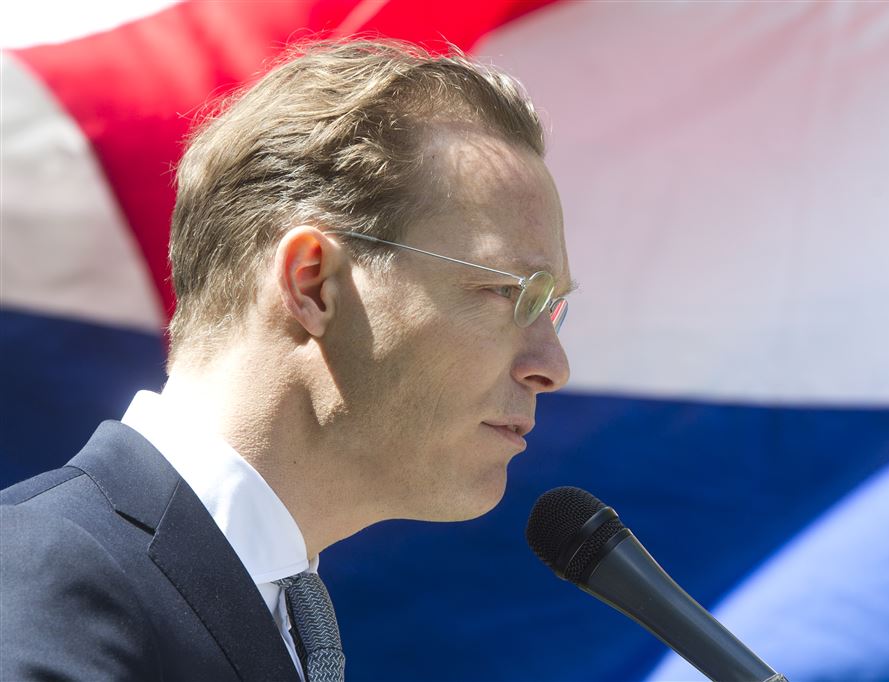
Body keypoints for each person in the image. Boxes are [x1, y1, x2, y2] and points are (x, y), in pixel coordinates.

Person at [0, 39, 573, 682]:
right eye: (509, 292)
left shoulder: (269, 615)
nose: (552, 366)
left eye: (553, 308)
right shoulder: (40, 576)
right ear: (312, 284)